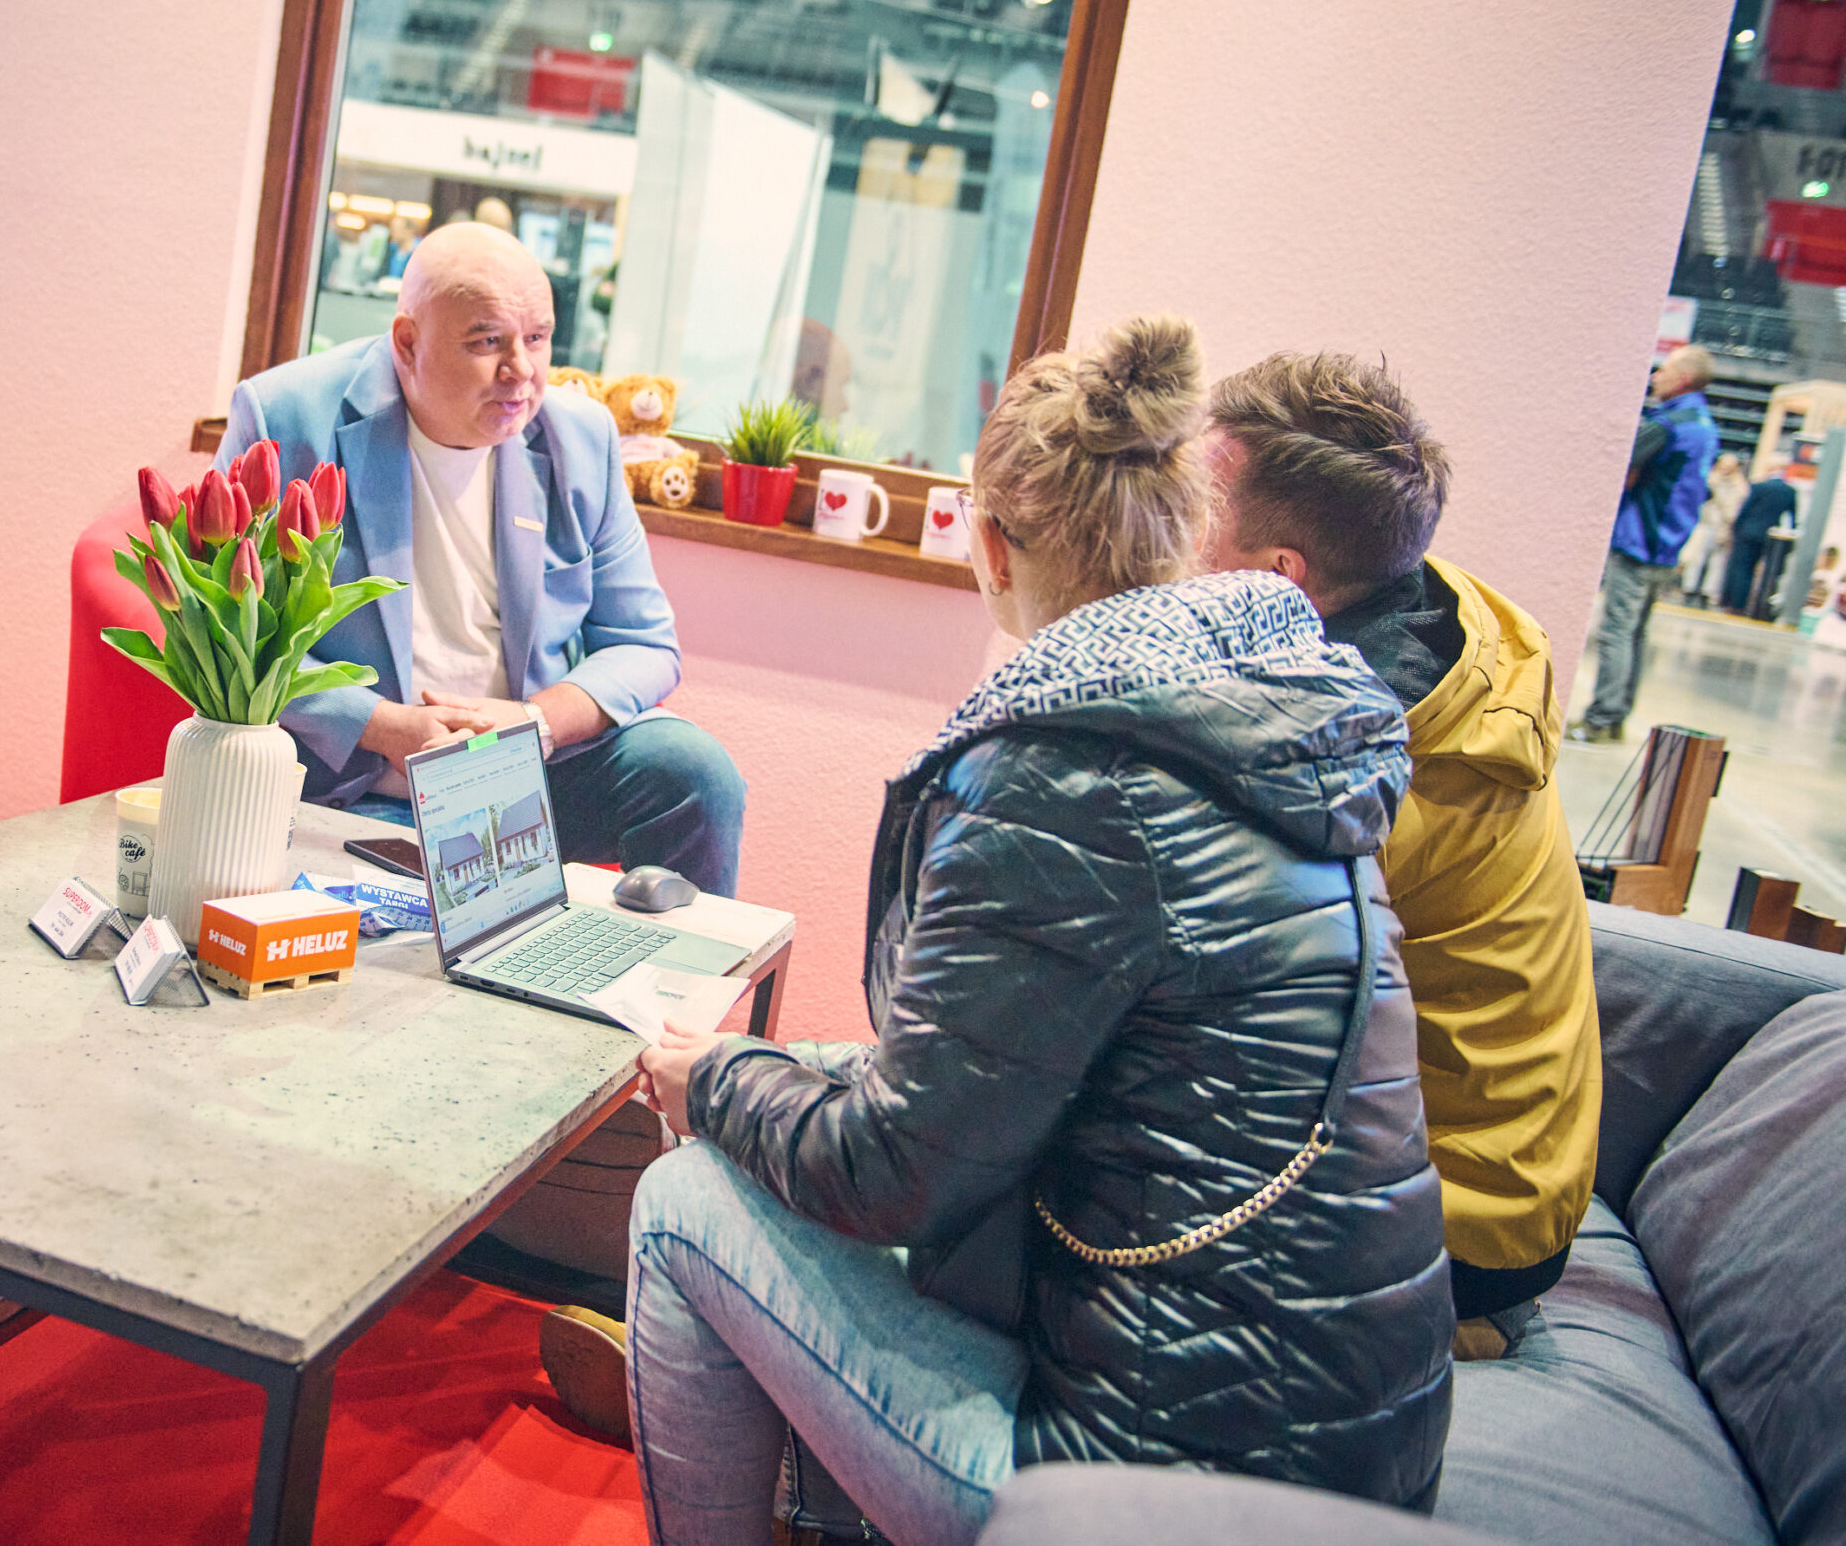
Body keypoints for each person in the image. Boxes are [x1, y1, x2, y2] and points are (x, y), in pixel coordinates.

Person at [621, 317, 1452, 1546]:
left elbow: (892, 1173)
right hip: (1351, 1457)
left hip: (1167, 1494)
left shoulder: (1067, 773)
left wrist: (711, 1080)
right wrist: (780, 1072)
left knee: (686, 1197)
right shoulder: (1276, 714)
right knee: (798, 1093)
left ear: (991, 542)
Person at [219, 220, 745, 1298]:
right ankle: (398, 1182)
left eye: (539, 340)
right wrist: (386, 726)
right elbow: (240, 639)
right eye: (488, 343)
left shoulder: (578, 438)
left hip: (524, 764)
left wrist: (537, 721)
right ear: (406, 343)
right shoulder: (289, 419)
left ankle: (655, 1100)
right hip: (363, 780)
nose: (523, 374)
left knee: (695, 774)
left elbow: (647, 645)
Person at [1196, 351, 1599, 1362]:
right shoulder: (1423, 611)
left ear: (1277, 575)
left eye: (1190, 506)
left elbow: (1206, 984)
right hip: (1512, 1180)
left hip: (1466, 1222)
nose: (1164, 526)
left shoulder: (1361, 756)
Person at [1571, 345, 1718, 742]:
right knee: (1635, 633)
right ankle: (1616, 716)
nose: (1655, 377)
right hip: (1669, 547)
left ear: (1683, 379)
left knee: (1617, 632)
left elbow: (1619, 465)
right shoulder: (1704, 424)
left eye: (1664, 370)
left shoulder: (1667, 425)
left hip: (1640, 544)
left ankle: (1600, 719)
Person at [1720, 469, 1799, 615]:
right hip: (1769, 536)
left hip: (1747, 533)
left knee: (1742, 568)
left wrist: (1735, 527)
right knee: (1766, 572)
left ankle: (1737, 604)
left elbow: (1745, 509)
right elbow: (1793, 516)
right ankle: (1758, 606)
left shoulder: (1759, 487)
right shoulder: (1789, 491)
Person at [1682, 452, 1748, 604]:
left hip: (1723, 526)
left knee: (1717, 562)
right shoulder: (1709, 479)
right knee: (1696, 558)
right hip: (1704, 523)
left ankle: (1707, 592)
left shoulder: (1739, 486)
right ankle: (1689, 588)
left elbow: (1734, 509)